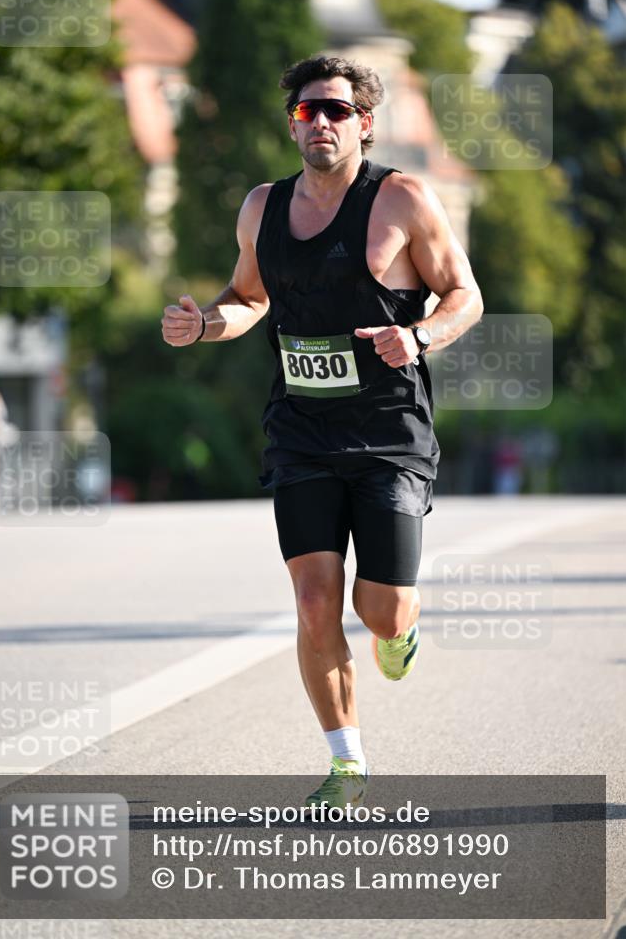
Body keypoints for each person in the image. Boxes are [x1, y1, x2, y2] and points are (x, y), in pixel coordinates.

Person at [162, 56, 483, 806]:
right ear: (292, 122)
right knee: (312, 603)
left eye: (337, 111)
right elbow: (247, 299)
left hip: (387, 433)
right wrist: (204, 324)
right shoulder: (261, 207)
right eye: (308, 111)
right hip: (300, 430)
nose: (322, 123)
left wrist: (422, 337)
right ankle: (345, 766)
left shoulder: (400, 199)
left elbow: (462, 294)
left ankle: (397, 632)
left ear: (364, 124)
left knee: (380, 610)